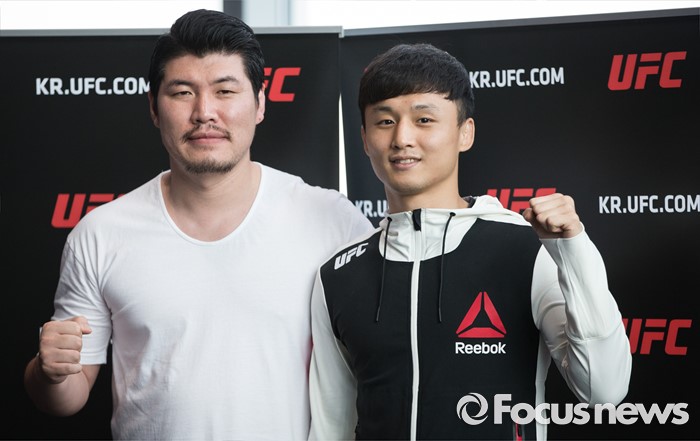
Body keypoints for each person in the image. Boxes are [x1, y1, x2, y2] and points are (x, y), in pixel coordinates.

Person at [23, 9, 373, 440]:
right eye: (183, 92)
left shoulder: (332, 221)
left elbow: (385, 364)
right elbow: (67, 396)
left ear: (260, 104)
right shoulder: (100, 234)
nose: (204, 112)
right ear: (154, 108)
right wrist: (48, 372)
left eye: (225, 91)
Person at [308, 43, 632, 440]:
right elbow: (331, 425)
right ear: (364, 138)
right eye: (385, 121)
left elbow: (603, 390)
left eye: (424, 119)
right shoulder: (337, 276)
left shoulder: (526, 249)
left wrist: (572, 249)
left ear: (465, 133)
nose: (402, 138)